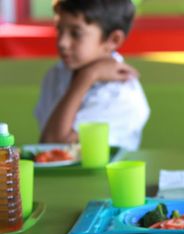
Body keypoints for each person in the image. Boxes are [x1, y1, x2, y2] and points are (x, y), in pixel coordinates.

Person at [35, 0, 150, 151]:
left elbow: (54, 146)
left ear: (113, 40)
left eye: (76, 33)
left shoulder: (122, 94)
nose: (62, 42)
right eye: (59, 30)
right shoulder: (56, 74)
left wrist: (87, 77)